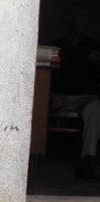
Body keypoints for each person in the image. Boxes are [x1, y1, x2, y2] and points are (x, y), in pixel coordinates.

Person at [50, 5, 100, 182]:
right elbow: (52, 74)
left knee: (95, 108)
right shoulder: (59, 45)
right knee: (45, 103)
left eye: (87, 19)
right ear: (72, 20)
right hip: (61, 97)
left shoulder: (93, 46)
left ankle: (88, 159)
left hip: (84, 97)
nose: (84, 22)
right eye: (81, 17)